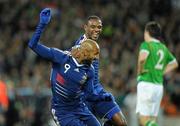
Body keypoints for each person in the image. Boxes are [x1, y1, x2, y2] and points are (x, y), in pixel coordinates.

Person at [28, 8, 112, 126]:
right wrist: (42, 24)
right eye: (94, 54)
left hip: (79, 108)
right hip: (63, 112)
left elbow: (90, 94)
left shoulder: (90, 71)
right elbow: (33, 45)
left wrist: (102, 96)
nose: (95, 58)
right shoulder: (61, 57)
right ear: (84, 53)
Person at [74, 16, 127, 126]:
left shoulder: (93, 44)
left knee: (121, 123)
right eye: (93, 26)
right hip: (85, 96)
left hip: (97, 91)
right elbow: (77, 75)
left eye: (99, 27)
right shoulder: (81, 47)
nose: (97, 29)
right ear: (85, 27)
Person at [136, 21, 178, 126]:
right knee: (152, 119)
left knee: (143, 119)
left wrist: (140, 71)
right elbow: (174, 63)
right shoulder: (163, 48)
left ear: (147, 32)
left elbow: (142, 59)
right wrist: (162, 71)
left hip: (146, 83)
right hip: (158, 86)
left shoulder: (146, 45)